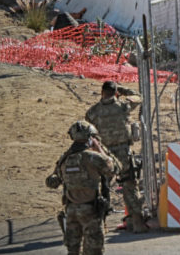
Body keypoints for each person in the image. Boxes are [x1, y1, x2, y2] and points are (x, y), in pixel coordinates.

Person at [46, 121, 119, 255]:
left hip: (71, 210)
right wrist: (100, 149)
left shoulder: (65, 159)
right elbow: (115, 168)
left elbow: (52, 181)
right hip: (91, 210)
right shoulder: (93, 157)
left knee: (73, 250)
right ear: (91, 138)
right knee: (93, 250)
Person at [84, 81, 147, 233]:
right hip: (123, 152)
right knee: (130, 185)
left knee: (102, 188)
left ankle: (101, 225)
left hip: (103, 153)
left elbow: (88, 127)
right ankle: (137, 222)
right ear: (115, 92)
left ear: (102, 92)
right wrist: (123, 90)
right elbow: (138, 97)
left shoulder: (93, 112)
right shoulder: (123, 106)